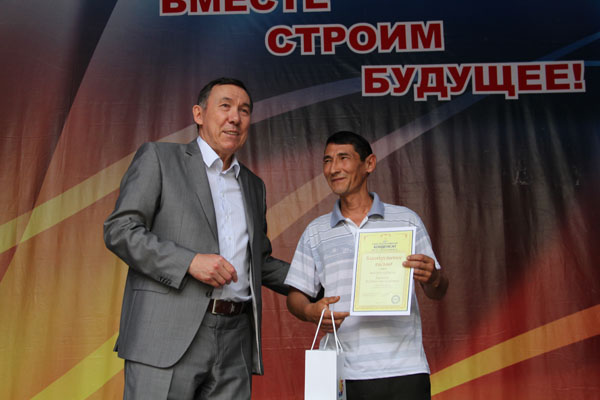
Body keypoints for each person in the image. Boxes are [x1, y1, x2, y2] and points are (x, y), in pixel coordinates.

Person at [104, 77, 289, 399]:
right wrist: (189, 262)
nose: (235, 117)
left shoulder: (253, 185)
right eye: (225, 106)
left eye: (244, 110)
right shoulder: (159, 158)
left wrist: (323, 281)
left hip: (235, 339)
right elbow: (120, 230)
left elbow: (259, 263)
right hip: (165, 336)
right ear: (199, 114)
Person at [285, 131, 448, 400]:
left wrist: (433, 278)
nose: (333, 168)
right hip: (342, 372)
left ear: (369, 164)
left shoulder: (406, 221)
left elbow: (437, 290)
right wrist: (309, 310)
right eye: (327, 160)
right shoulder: (316, 232)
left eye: (343, 158)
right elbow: (295, 297)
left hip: (405, 368)